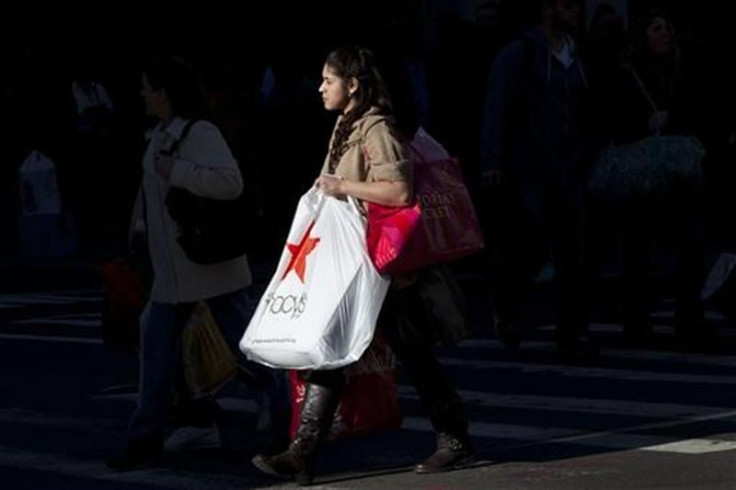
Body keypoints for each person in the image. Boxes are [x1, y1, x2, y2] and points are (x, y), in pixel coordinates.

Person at [250, 45, 475, 486]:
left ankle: (455, 439)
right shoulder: (345, 126)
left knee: (410, 353)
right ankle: (303, 452)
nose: (320, 87)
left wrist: (341, 185)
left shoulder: (376, 127)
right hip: (356, 262)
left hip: (384, 265)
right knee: (333, 349)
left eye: (328, 80)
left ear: (352, 85)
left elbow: (400, 192)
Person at [106, 55, 287, 471]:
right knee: (156, 355)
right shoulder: (162, 132)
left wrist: (179, 170)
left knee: (248, 352)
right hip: (176, 273)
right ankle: (144, 438)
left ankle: (287, 422)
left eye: (148, 87)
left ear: (165, 93)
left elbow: (230, 182)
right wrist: (135, 235)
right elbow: (150, 196)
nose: (142, 93)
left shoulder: (198, 131)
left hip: (209, 267)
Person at [479, 0, 596, 359]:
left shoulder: (576, 56)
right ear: (548, 8)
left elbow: (584, 109)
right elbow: (497, 105)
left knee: (572, 250)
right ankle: (507, 309)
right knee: (527, 247)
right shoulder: (521, 54)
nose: (577, 10)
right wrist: (493, 160)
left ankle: (571, 331)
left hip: (569, 166)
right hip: (528, 167)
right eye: (568, 4)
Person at [603, 10, 709, 349]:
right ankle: (639, 323)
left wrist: (673, 117)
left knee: (688, 245)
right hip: (645, 171)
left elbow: (695, 108)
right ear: (642, 35)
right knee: (640, 247)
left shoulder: (679, 67)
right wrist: (643, 122)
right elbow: (614, 120)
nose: (666, 35)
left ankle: (687, 319)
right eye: (657, 29)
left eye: (668, 28)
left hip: (674, 169)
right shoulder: (628, 73)